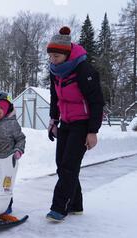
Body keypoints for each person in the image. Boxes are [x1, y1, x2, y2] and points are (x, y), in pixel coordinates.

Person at [46, 26, 105, 222]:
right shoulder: (55, 71)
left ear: (66, 54)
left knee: (69, 166)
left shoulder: (84, 70)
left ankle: (59, 208)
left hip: (82, 123)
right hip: (66, 122)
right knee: (61, 165)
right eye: (50, 56)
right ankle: (76, 204)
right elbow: (55, 97)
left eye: (56, 56)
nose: (52, 60)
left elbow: (97, 101)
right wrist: (53, 120)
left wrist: (93, 131)